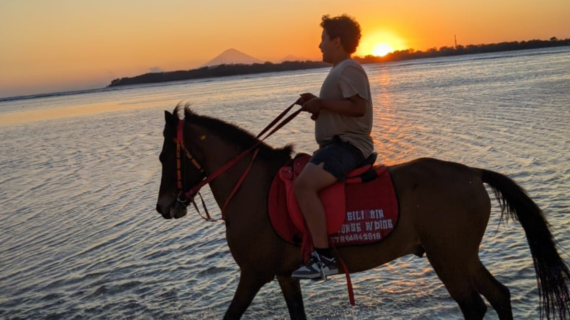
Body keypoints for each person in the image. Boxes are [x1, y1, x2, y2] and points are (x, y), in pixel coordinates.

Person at [291, 14, 374, 280]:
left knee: (303, 185)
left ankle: (324, 258)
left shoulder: (349, 68)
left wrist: (322, 104)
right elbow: (342, 108)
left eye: (323, 39)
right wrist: (316, 104)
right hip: (337, 144)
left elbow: (359, 108)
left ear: (336, 40)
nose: (319, 45)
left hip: (348, 146)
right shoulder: (339, 70)